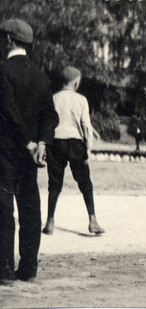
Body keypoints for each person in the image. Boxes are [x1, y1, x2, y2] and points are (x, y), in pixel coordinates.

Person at [0, 19, 59, 285]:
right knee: (30, 208)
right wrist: (42, 144)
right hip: (32, 155)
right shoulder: (42, 76)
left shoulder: (3, 71)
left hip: (6, 151)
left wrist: (27, 142)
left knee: (3, 210)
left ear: (9, 41)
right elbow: (50, 116)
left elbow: (8, 110)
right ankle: (29, 268)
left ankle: (3, 271)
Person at [41, 66, 105, 236]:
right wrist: (89, 148)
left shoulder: (53, 98)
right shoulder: (81, 100)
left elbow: (46, 122)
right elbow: (86, 125)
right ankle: (92, 219)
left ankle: (50, 221)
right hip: (75, 143)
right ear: (76, 82)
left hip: (56, 142)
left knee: (54, 184)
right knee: (85, 183)